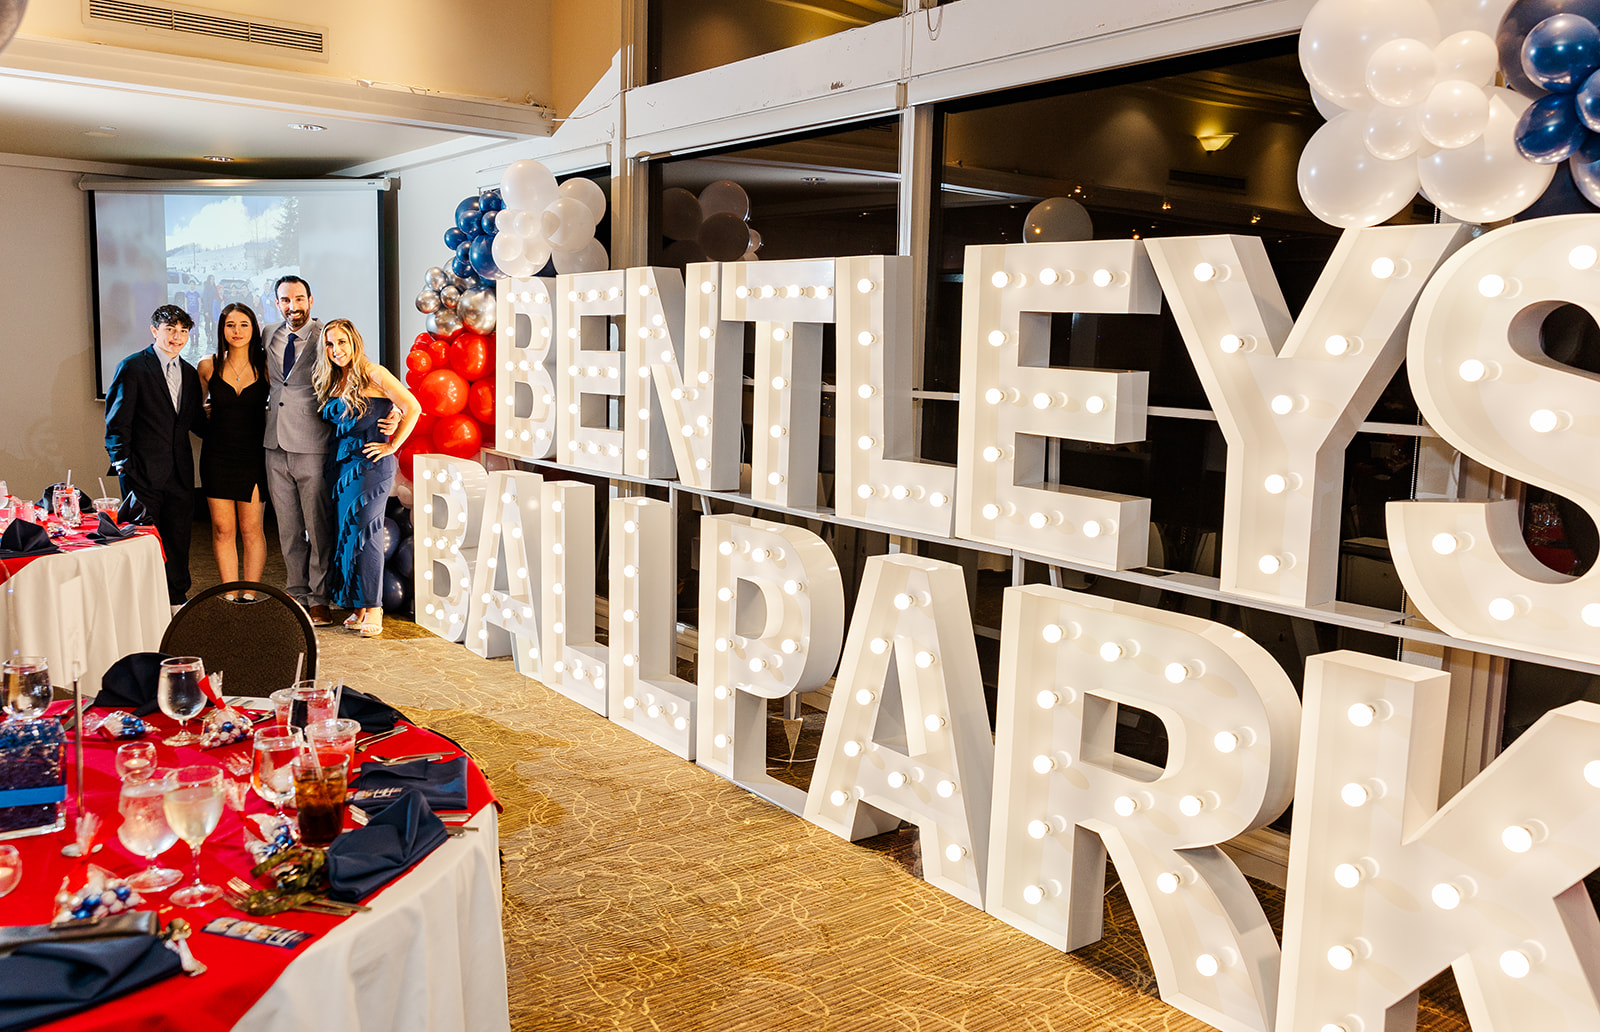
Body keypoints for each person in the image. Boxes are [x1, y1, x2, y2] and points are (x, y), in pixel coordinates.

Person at [313, 319, 421, 638]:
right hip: (341, 466)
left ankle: (374, 607)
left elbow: (412, 406)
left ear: (355, 342)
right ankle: (358, 605)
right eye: (330, 344)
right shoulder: (333, 378)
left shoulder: (375, 373)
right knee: (347, 536)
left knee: (367, 534)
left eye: (342, 342)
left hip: (371, 465)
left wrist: (393, 444)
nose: (336, 350)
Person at [104, 304, 208, 607]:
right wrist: (123, 465)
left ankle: (176, 598)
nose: (176, 337)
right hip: (141, 473)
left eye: (183, 331)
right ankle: (143, 602)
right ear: (154, 331)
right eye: (170, 329)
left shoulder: (189, 374)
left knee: (178, 537)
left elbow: (193, 423)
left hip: (179, 473)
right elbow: (117, 421)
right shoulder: (133, 366)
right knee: (145, 541)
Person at [262, 275, 334, 625]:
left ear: (310, 300)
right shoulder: (268, 334)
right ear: (277, 303)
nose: (293, 307)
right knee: (288, 527)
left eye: (299, 299)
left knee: (317, 527)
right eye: (285, 300)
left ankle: (320, 597)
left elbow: (353, 373)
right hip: (274, 443)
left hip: (313, 443)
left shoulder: (327, 336)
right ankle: (296, 591)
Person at [196, 303, 269, 596]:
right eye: (230, 325)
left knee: (252, 530)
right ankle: (228, 593)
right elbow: (194, 411)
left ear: (254, 328)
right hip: (217, 457)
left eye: (243, 324)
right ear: (221, 329)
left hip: (253, 456)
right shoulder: (207, 365)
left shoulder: (266, 366)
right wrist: (204, 410)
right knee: (223, 530)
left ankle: (249, 593)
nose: (237, 331)